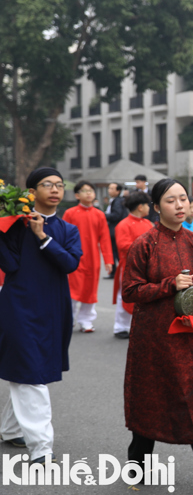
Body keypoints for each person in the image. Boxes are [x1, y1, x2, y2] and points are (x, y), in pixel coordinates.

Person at [122, 178, 193, 494]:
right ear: (157, 207)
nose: (180, 205)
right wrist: (169, 285)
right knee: (151, 399)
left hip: (191, 336)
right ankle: (138, 464)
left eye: (184, 199)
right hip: (153, 339)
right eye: (171, 200)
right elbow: (130, 291)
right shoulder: (144, 244)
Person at [0, 167, 81, 464]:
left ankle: (9, 429)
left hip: (53, 307)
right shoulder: (14, 226)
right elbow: (9, 265)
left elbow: (70, 263)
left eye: (60, 185)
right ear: (31, 192)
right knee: (32, 373)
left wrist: (43, 237)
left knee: (27, 369)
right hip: (18, 306)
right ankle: (41, 448)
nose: (56, 189)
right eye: (48, 184)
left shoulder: (68, 230)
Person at [63, 180, 114, 333]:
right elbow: (63, 236)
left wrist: (109, 260)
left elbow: (104, 238)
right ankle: (68, 319)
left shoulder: (99, 215)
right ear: (77, 195)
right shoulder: (70, 213)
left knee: (90, 291)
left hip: (92, 258)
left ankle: (86, 321)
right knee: (72, 290)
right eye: (85, 191)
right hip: (73, 257)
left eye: (91, 190)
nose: (89, 193)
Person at [113, 192, 153, 339]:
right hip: (129, 267)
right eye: (147, 205)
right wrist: (145, 248)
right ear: (140, 207)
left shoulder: (148, 224)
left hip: (146, 267)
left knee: (143, 297)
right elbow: (123, 246)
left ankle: (137, 326)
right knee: (124, 296)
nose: (149, 208)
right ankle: (120, 327)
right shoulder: (123, 225)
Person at [104, 182, 128, 278]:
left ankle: (115, 272)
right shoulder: (115, 200)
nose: (109, 190)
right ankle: (117, 271)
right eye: (109, 188)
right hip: (115, 229)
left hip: (115, 230)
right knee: (116, 252)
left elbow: (116, 215)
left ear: (118, 191)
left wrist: (103, 215)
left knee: (114, 252)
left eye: (111, 188)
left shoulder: (117, 201)